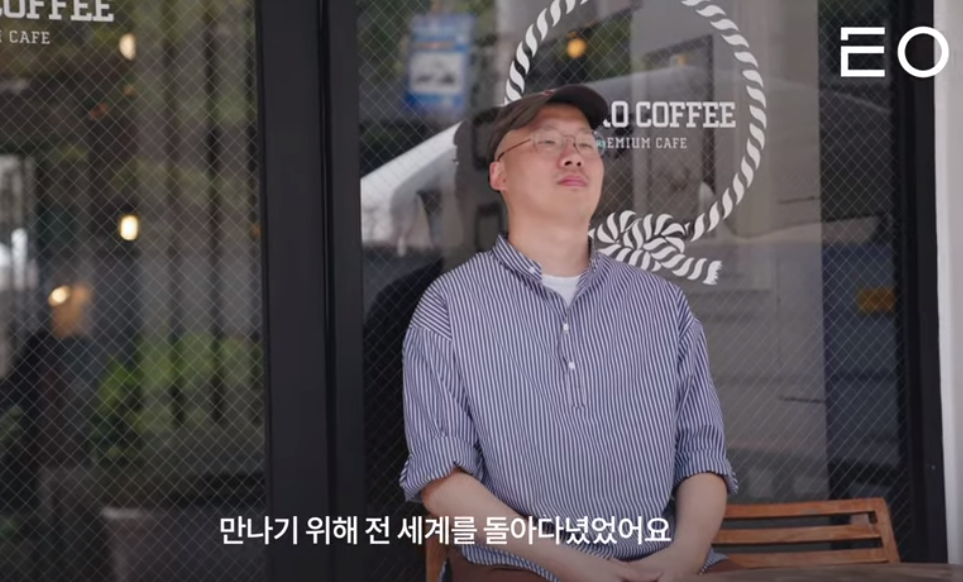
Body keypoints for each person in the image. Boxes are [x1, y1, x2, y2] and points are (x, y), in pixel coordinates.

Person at [399, 85, 739, 582]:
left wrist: (685, 555)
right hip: (519, 565)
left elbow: (702, 457)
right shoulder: (450, 306)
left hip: (663, 559)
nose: (574, 155)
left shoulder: (662, 304)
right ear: (499, 175)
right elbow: (442, 480)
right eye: (547, 141)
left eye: (586, 143)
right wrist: (578, 567)